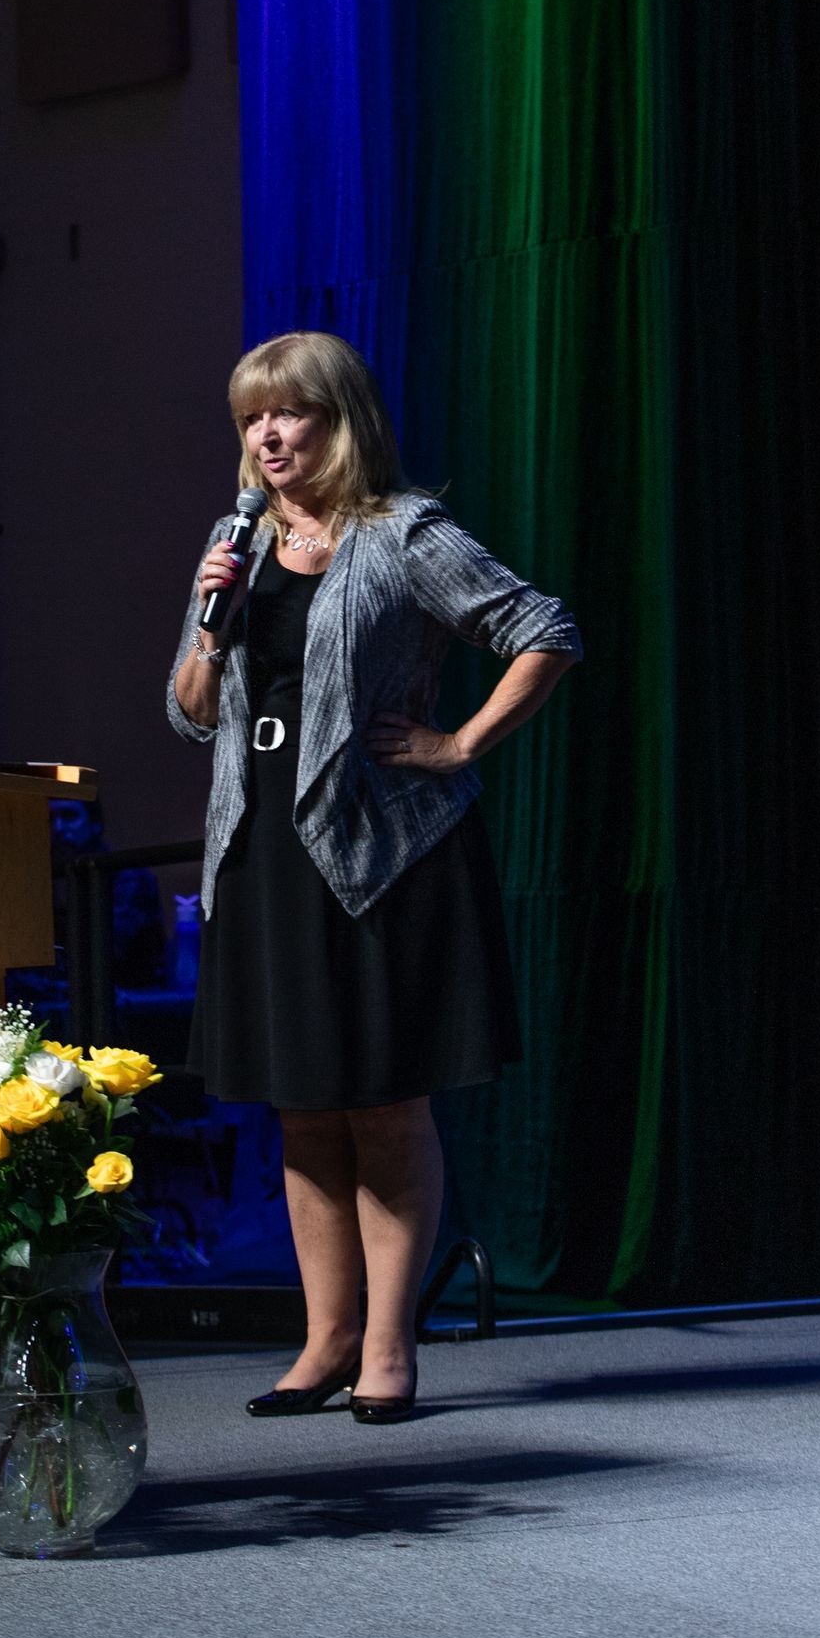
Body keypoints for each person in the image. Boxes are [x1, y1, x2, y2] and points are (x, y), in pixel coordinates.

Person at [168, 330, 579, 1423]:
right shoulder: (236, 541)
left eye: (286, 413)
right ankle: (324, 1340)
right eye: (250, 418)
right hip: (262, 852)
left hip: (381, 856)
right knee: (304, 1109)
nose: (265, 435)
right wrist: (210, 619)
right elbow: (189, 710)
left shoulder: (404, 535)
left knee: (386, 1107)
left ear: (336, 421)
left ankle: (391, 1346)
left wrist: (459, 745)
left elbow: (542, 627)